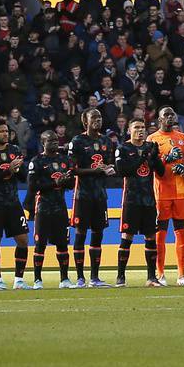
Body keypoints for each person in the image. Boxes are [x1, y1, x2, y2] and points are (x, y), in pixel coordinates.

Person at [0, 121, 31, 290]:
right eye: (1, 131)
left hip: (13, 202)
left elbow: (24, 177)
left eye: (7, 131)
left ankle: (19, 280)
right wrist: (7, 170)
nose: (5, 134)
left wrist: (18, 169)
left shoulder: (14, 150)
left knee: (23, 240)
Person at [149, 107, 184, 284]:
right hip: (161, 193)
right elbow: (151, 166)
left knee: (181, 232)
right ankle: (160, 274)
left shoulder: (182, 138)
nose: (169, 117)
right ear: (159, 120)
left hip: (181, 192)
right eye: (166, 115)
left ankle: (182, 275)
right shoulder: (152, 139)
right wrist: (165, 159)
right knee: (160, 234)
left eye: (172, 115)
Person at [114, 117, 161, 287]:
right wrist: (143, 158)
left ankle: (151, 277)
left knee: (150, 237)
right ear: (129, 130)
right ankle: (120, 277)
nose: (140, 130)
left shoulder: (150, 147)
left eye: (142, 127)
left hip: (149, 200)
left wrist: (155, 158)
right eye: (136, 127)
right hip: (131, 200)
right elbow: (123, 171)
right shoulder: (123, 148)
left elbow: (161, 172)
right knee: (127, 236)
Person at [68, 108, 113, 287]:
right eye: (93, 117)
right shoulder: (78, 141)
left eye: (100, 117)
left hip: (100, 195)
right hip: (83, 195)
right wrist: (95, 171)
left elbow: (108, 163)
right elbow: (72, 170)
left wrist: (110, 169)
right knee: (80, 233)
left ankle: (94, 277)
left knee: (98, 233)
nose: (97, 120)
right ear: (85, 121)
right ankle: (80, 277)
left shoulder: (106, 141)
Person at [25, 133, 75, 288]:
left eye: (55, 141)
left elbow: (71, 184)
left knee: (62, 244)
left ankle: (64, 279)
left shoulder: (64, 160)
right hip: (43, 208)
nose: (54, 143)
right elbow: (32, 187)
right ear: (43, 142)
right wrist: (55, 183)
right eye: (50, 141)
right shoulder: (37, 161)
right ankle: (37, 280)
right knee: (40, 245)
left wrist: (66, 181)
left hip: (60, 207)